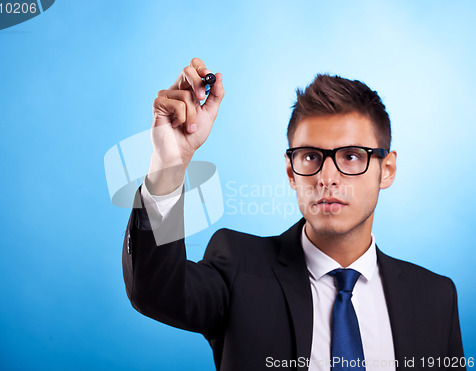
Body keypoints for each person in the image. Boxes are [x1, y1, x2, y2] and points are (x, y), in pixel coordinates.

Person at [122, 58, 465, 371]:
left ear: (386, 170)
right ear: (290, 172)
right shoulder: (239, 268)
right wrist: (169, 164)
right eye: (311, 157)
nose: (327, 177)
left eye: (351, 156)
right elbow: (154, 291)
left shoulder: (436, 298)